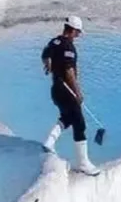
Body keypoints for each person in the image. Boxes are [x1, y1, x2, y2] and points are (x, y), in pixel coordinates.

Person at [41, 14, 99, 175]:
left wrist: (47, 63)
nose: (79, 35)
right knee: (80, 124)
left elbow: (45, 53)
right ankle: (83, 164)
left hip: (56, 90)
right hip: (66, 90)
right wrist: (77, 92)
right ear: (72, 30)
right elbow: (69, 71)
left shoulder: (54, 41)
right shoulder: (68, 47)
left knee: (67, 117)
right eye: (78, 32)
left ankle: (49, 142)